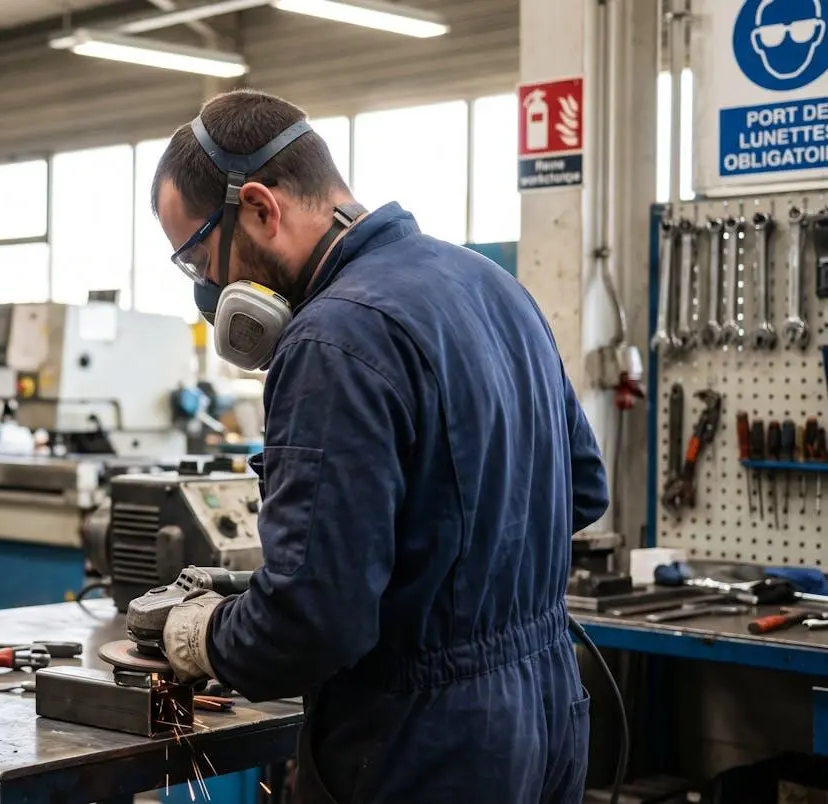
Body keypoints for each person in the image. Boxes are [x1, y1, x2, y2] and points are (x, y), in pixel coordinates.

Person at [149, 89, 610, 804]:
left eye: (198, 257)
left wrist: (203, 635)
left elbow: (311, 621)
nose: (208, 289)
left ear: (260, 208)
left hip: (422, 743)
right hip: (547, 710)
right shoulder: (495, 287)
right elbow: (582, 490)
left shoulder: (334, 338)